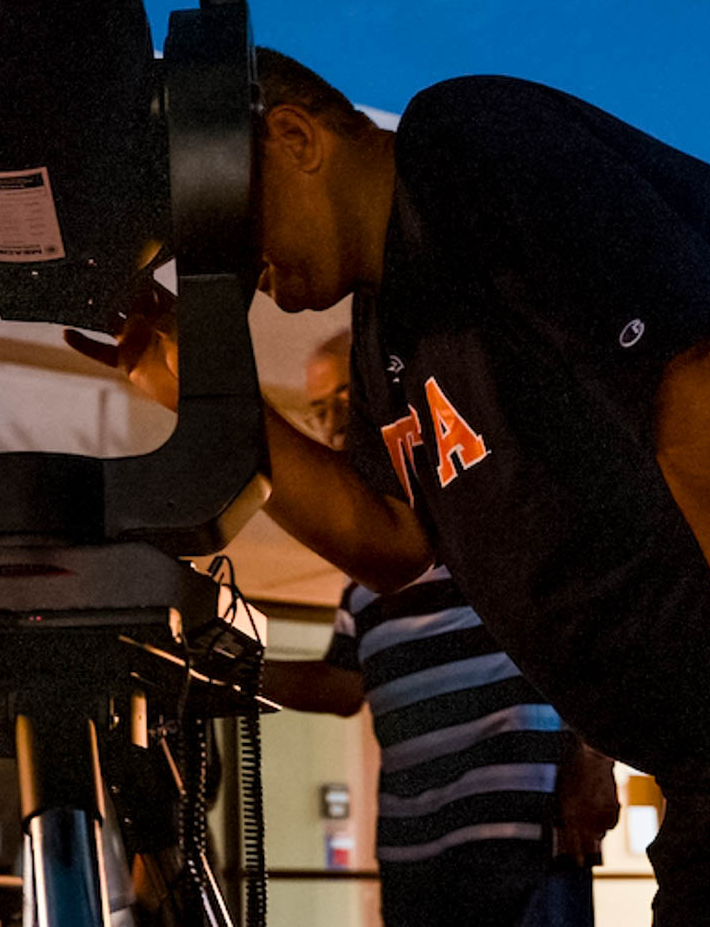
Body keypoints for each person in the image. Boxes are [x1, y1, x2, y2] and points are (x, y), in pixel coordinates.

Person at [73, 51, 710, 926]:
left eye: (227, 240)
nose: (246, 283)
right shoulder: (389, 336)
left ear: (291, 136)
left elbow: (705, 375)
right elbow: (392, 544)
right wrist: (198, 386)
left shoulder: (464, 144)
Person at [261, 331, 616, 927]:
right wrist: (221, 671)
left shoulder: (486, 520)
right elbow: (344, 687)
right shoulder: (365, 582)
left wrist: (595, 761)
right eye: (318, 409)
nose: (332, 423)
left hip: (520, 825)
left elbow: (585, 632)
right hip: (412, 848)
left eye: (347, 398)